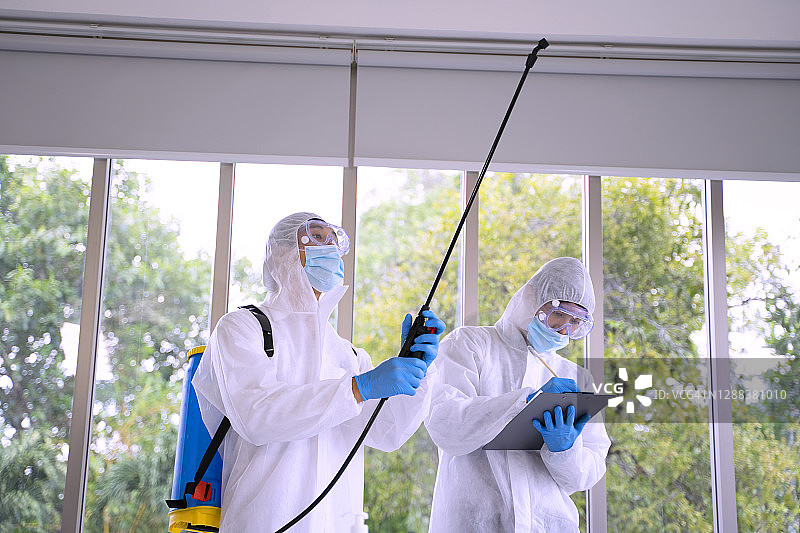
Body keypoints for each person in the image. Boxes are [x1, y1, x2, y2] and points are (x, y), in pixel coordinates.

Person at [192, 212, 445, 532]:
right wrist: (356, 389)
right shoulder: (243, 327)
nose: (331, 248)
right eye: (316, 237)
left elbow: (388, 431)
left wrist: (419, 367)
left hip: (337, 522)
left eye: (334, 241)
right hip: (264, 520)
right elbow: (256, 415)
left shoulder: (348, 355)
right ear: (281, 253)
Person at [425, 257, 610, 533]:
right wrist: (523, 403)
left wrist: (564, 450)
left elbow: (586, 473)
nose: (564, 329)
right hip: (474, 523)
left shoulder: (576, 377)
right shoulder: (470, 345)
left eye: (575, 321)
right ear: (532, 299)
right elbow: (445, 424)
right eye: (559, 314)